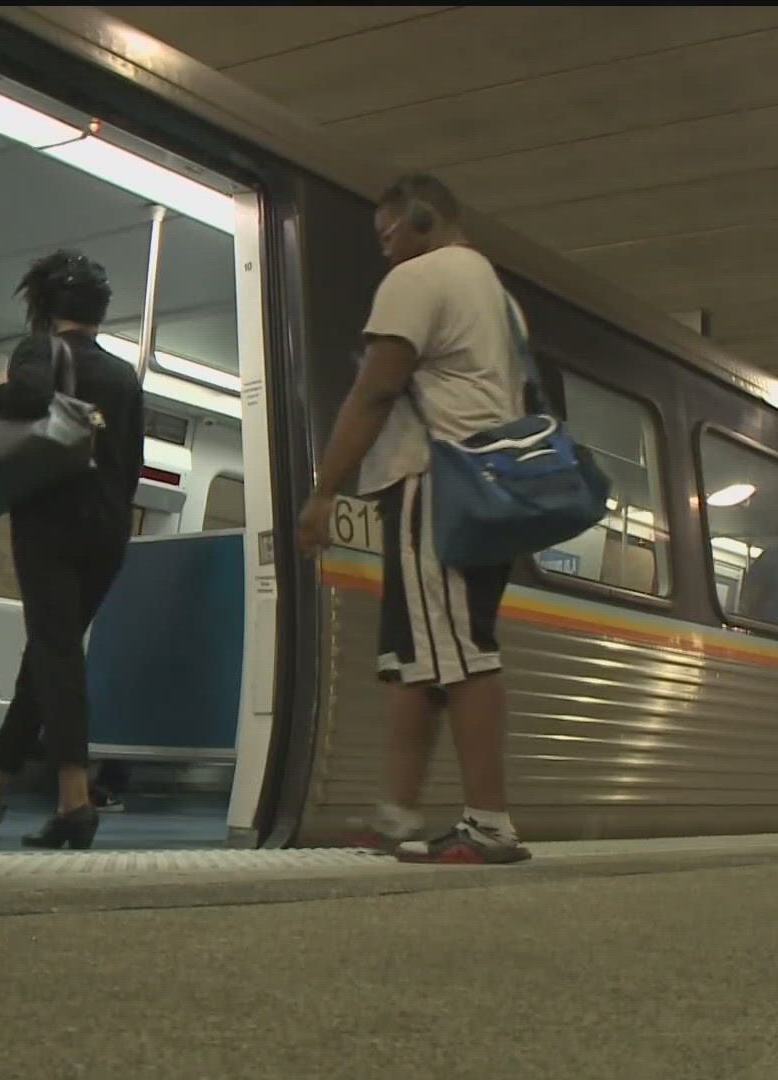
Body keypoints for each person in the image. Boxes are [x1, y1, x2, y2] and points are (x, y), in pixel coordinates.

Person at [296, 173, 531, 865]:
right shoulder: (498, 296)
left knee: (459, 655)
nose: (384, 252)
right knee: (416, 664)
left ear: (421, 219)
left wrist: (324, 492)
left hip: (440, 484)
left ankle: (490, 824)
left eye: (386, 234)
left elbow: (373, 392)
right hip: (482, 486)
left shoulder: (420, 276)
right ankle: (398, 816)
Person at [0, 252, 143, 850]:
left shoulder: (38, 350)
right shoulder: (125, 376)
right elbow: (131, 464)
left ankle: (75, 799)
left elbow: (22, 403)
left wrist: (2, 392)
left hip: (51, 523)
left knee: (57, 653)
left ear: (42, 306)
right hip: (110, 528)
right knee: (50, 651)